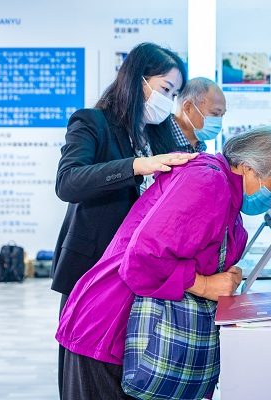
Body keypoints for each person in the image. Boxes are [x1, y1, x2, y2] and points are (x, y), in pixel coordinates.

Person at [56, 126, 271, 400]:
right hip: (111, 325)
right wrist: (205, 285)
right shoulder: (208, 182)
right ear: (248, 168)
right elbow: (145, 257)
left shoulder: (227, 195)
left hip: (131, 327)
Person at [51, 42, 193, 398]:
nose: (168, 101)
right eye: (165, 89)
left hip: (136, 271)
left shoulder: (159, 134)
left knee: (126, 372)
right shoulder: (92, 122)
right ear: (137, 79)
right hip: (92, 269)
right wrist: (135, 166)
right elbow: (68, 182)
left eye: (174, 94)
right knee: (87, 373)